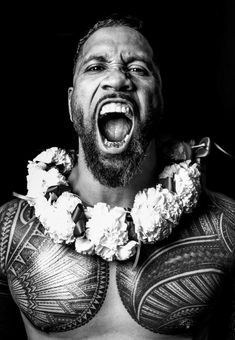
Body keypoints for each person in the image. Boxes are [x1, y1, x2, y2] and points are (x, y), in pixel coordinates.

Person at [0, 13, 234, 340]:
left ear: (160, 102)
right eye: (96, 67)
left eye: (137, 69)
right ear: (71, 104)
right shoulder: (9, 229)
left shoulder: (227, 226)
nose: (118, 80)